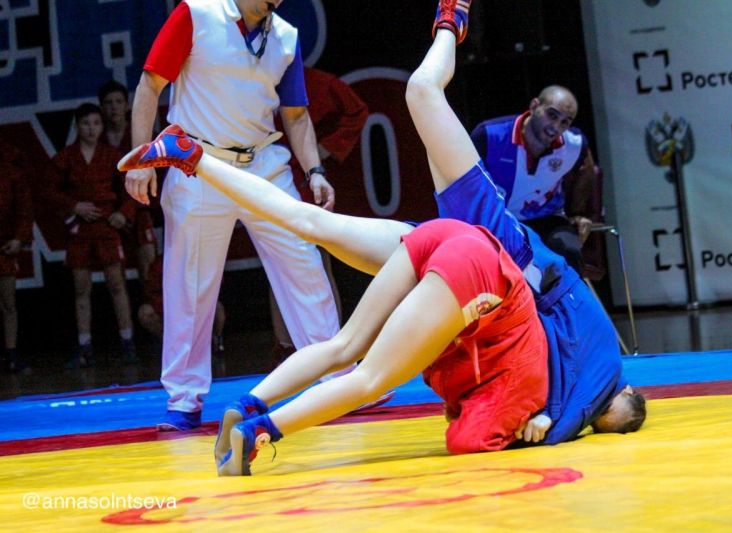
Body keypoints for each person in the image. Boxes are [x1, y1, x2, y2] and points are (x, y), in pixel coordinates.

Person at [120, 0, 646, 474]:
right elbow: (572, 410)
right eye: (607, 418)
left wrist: (544, 418)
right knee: (421, 93)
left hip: (460, 253)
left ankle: (191, 155)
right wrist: (553, 426)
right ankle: (451, 21)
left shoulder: (558, 379)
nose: (599, 419)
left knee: (313, 228)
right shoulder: (595, 377)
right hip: (499, 249)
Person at [125, 0, 340, 430]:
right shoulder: (196, 13)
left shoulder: (286, 37)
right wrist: (142, 157)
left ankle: (338, 379)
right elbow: (150, 84)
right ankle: (184, 398)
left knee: (305, 265)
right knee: (190, 285)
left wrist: (315, 170)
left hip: (264, 164)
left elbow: (296, 115)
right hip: (198, 163)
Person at [268, 67, 369, 360]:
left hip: (302, 178)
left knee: (317, 260)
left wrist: (323, 152)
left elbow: (356, 110)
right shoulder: (248, 80)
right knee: (276, 263)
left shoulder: (309, 80)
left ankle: (333, 344)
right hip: (267, 178)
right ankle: (285, 345)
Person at [44, 103, 138, 368]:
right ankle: (85, 347)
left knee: (116, 284)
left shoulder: (112, 155)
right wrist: (73, 205)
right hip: (81, 229)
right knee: (81, 288)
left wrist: (123, 214)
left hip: (106, 226)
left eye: (96, 123)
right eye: (86, 123)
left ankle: (128, 343)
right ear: (77, 126)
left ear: (101, 125)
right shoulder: (67, 156)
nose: (91, 129)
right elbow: (47, 190)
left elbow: (131, 188)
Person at [470, 85, 598, 274]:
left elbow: (587, 171)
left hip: (546, 218)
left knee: (569, 249)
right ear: (534, 106)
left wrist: (579, 213)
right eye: (552, 115)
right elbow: (463, 182)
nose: (556, 127)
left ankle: (567, 294)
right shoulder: (489, 136)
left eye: (565, 122)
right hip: (496, 220)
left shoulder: (573, 145)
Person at [98, 80, 158, 286]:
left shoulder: (140, 134)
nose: (114, 107)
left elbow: (152, 175)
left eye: (118, 102)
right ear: (101, 108)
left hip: (139, 210)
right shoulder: (96, 139)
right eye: (108, 103)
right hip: (110, 214)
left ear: (126, 105)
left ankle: (152, 306)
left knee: (149, 270)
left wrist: (127, 211)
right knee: (115, 276)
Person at [137, 254, 227, 359]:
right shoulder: (161, 263)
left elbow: (215, 286)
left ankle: (214, 341)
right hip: (171, 311)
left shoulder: (203, 260)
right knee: (145, 312)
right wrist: (175, 308)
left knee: (217, 309)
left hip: (198, 309)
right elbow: (152, 293)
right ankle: (172, 345)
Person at [0, 141, 33, 373]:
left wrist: (19, 239)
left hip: (4, 247)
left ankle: (11, 354)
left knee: (8, 302)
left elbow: (24, 210)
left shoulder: (11, 172)